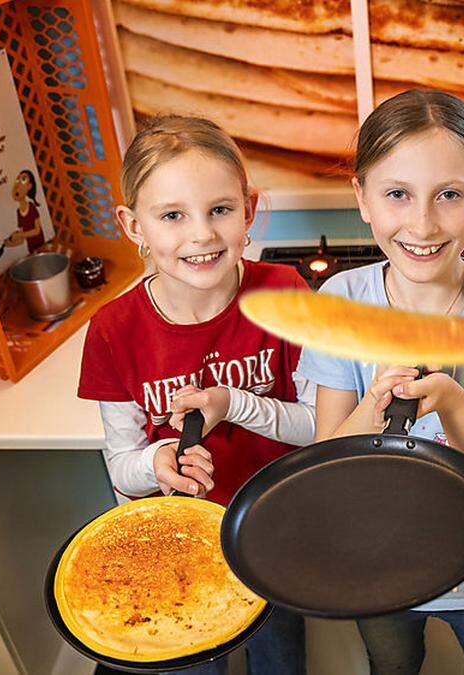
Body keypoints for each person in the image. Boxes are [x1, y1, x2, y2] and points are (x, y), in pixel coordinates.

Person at [296, 89, 464, 675]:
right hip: (378, 564)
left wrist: (453, 404)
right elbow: (324, 467)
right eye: (397, 194)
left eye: (449, 195)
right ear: (362, 197)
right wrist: (372, 406)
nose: (422, 224)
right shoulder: (340, 305)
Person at [77, 115, 313, 675]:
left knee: (279, 661)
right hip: (178, 549)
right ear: (134, 225)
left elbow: (319, 426)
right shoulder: (113, 331)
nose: (202, 234)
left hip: (272, 533)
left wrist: (233, 404)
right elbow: (120, 466)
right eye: (173, 216)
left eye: (220, 210)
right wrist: (157, 463)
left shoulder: (287, 293)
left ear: (248, 210)